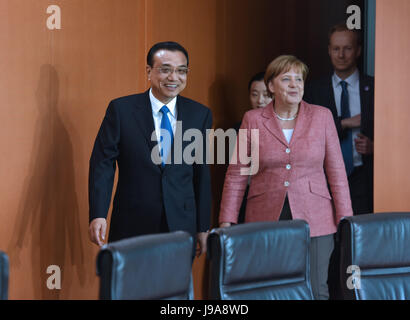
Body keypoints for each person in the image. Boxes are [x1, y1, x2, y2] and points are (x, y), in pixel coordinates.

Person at [218, 55, 353, 299]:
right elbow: (237, 173)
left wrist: (345, 219)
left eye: (299, 79)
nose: (294, 85)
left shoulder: (322, 117)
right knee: (270, 288)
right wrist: (227, 219)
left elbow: (337, 173)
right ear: (271, 86)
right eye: (286, 79)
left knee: (316, 289)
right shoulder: (253, 120)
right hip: (265, 214)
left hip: (317, 216)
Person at [88, 41, 212, 258]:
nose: (174, 78)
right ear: (149, 71)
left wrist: (203, 226)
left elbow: (201, 174)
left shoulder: (199, 115)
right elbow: (102, 164)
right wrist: (99, 214)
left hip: (181, 225)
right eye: (165, 70)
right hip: (132, 222)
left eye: (181, 71)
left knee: (174, 290)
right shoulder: (121, 110)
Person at [304, 23, 374, 215]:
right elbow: (308, 133)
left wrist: (376, 147)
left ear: (358, 51)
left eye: (347, 49)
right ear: (329, 51)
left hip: (364, 180)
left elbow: (396, 133)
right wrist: (344, 123)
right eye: (336, 49)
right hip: (324, 180)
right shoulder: (313, 91)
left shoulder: (375, 88)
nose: (341, 55)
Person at [234, 72, 272, 223]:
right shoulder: (238, 129)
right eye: (254, 94)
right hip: (249, 198)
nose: (260, 101)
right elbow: (236, 176)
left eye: (266, 95)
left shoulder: (288, 128)